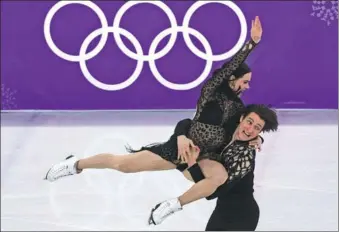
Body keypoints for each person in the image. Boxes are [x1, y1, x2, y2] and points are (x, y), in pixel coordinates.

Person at [44, 16, 264, 221]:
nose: (247, 87)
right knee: (123, 165)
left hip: (202, 157)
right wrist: (251, 44)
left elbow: (247, 128)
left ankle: (172, 205)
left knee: (219, 177)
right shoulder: (212, 91)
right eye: (244, 82)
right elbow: (227, 70)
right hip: (178, 149)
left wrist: (258, 139)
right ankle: (75, 164)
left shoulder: (238, 108)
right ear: (232, 79)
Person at [149, 104, 279, 230]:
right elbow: (186, 123)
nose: (250, 130)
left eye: (257, 128)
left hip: (242, 218)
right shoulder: (227, 128)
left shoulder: (245, 155)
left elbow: (213, 193)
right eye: (249, 122)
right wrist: (181, 136)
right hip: (221, 212)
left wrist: (192, 164)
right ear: (241, 118)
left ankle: (173, 205)